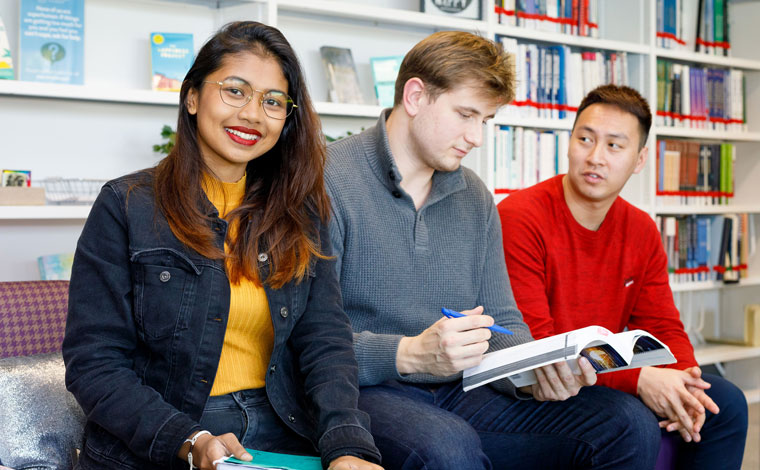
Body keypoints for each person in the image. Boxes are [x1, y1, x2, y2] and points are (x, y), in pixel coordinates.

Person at [325, 31, 661, 470]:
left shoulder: (474, 197)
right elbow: (309, 342)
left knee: (626, 423)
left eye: (485, 120)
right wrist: (407, 351)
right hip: (363, 391)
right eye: (466, 115)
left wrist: (533, 376)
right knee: (448, 446)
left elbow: (504, 323)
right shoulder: (327, 180)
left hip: (461, 390)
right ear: (415, 96)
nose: (476, 137)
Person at [62, 21, 383, 470]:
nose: (253, 114)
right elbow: (94, 365)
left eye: (272, 101)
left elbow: (325, 341)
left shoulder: (298, 212)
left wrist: (348, 446)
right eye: (235, 91)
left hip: (282, 428)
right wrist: (189, 439)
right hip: (169, 435)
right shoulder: (126, 205)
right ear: (192, 97)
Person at [498, 84, 748, 469]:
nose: (595, 157)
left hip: (602, 372)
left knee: (723, 403)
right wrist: (639, 379)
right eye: (585, 139)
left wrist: (686, 379)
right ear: (569, 142)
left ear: (639, 159)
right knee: (628, 420)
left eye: (614, 146)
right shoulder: (520, 217)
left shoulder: (641, 229)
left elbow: (663, 325)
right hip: (546, 385)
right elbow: (540, 345)